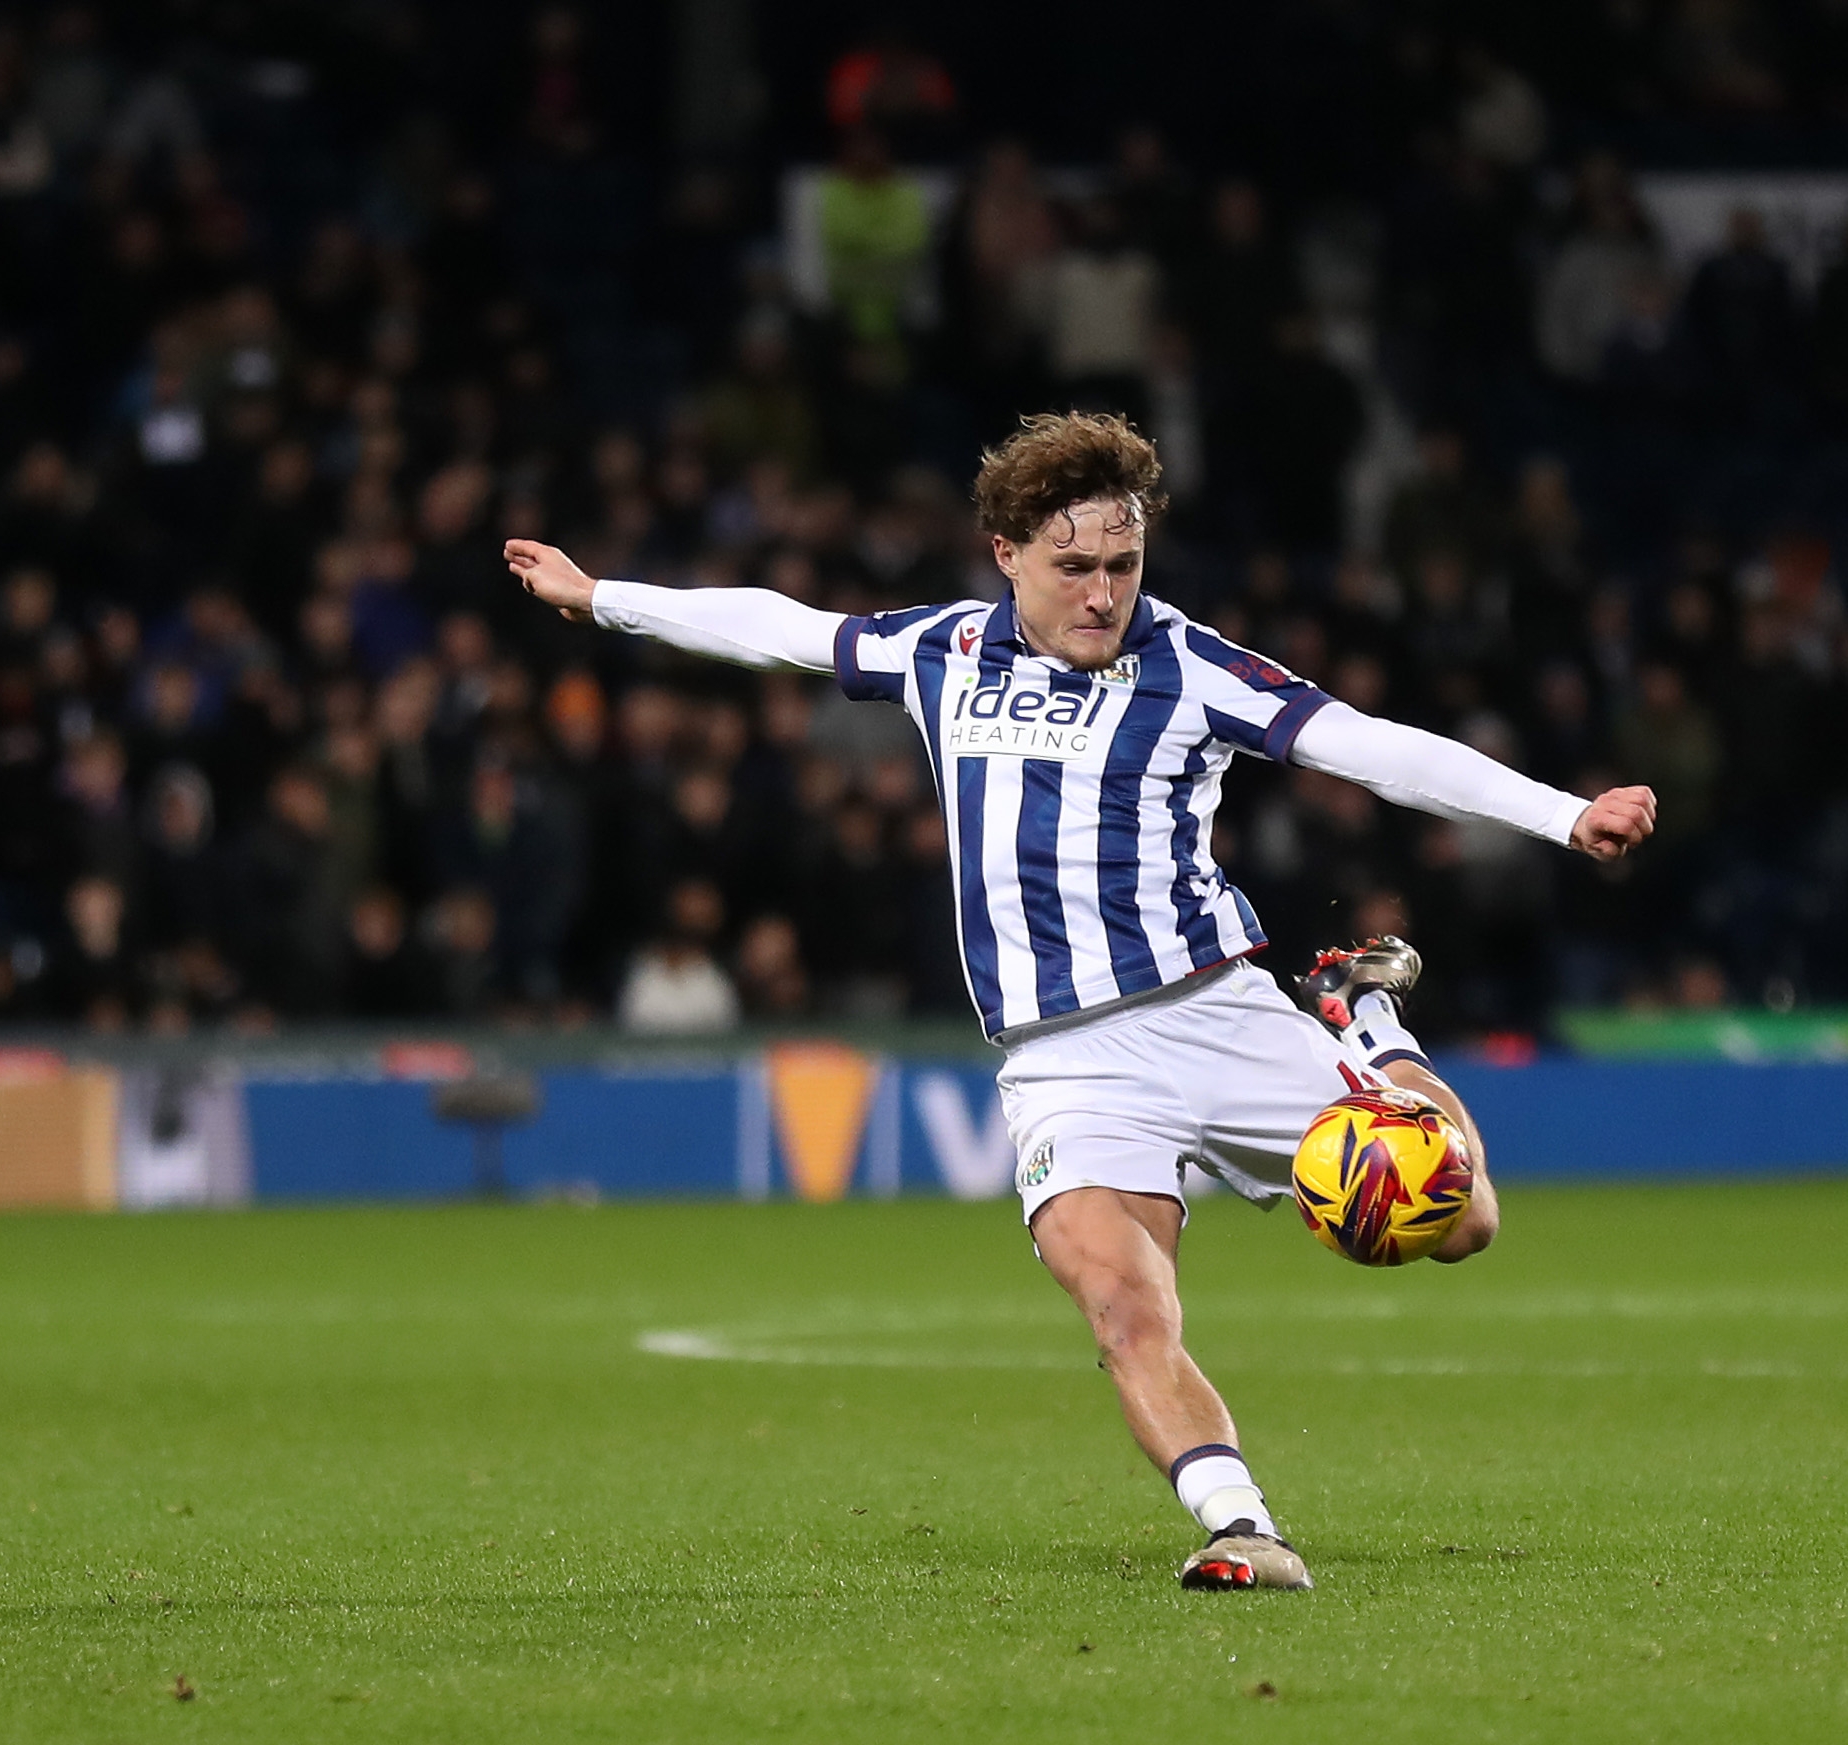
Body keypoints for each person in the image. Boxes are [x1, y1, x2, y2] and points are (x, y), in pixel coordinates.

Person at [506, 413, 1656, 1590]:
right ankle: (1240, 1525)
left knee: (1460, 1224)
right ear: (1003, 551)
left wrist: (1560, 813)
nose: (1103, 594)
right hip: (1066, 1060)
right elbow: (785, 630)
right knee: (1121, 1301)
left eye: (1123, 563)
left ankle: (1370, 1017)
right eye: (1073, 567)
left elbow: (1367, 745)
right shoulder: (941, 651)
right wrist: (604, 598)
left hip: (1215, 1014)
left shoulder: (1190, 664)